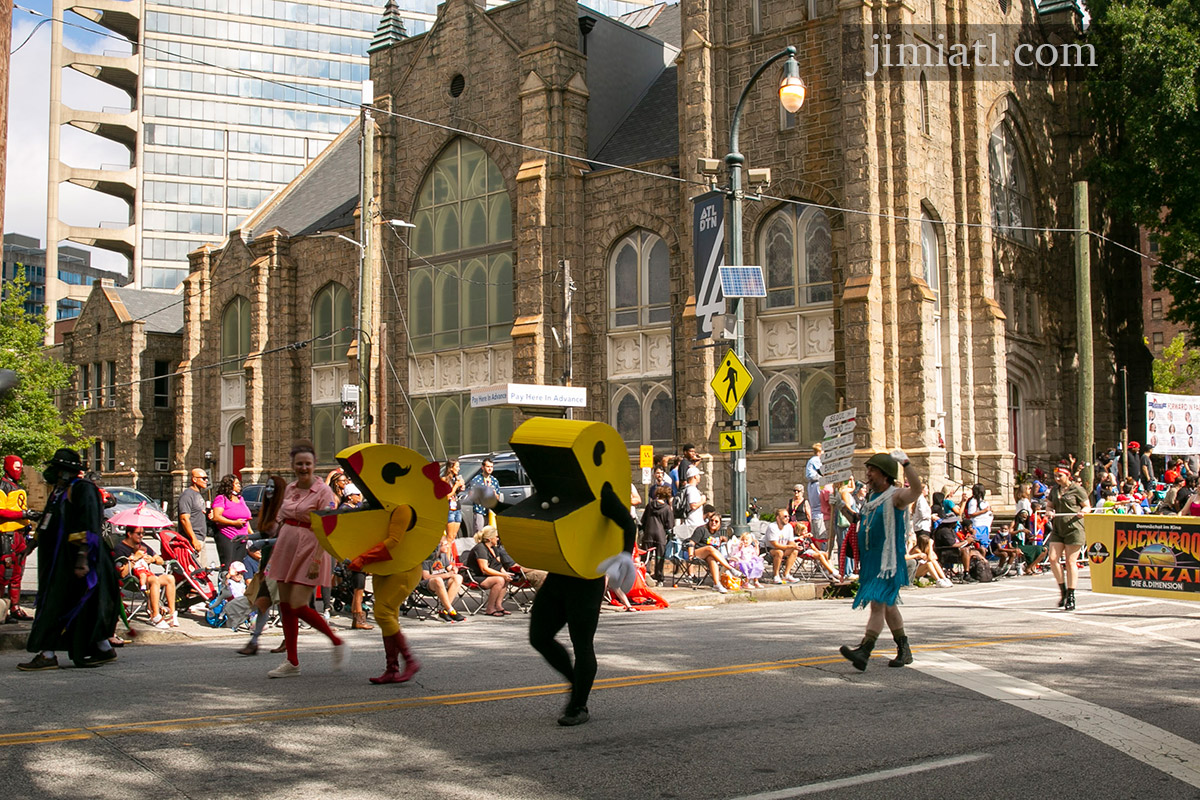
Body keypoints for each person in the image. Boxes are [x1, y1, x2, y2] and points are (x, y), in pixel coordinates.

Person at [19, 449, 120, 670]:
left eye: (58, 469)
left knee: (59, 605)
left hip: (77, 561)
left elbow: (89, 524)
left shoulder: (83, 490)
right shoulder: (59, 492)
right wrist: (33, 543)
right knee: (73, 605)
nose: (53, 473)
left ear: (67, 471)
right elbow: (48, 520)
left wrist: (83, 558)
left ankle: (48, 654)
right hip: (57, 560)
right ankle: (102, 648)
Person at [262, 441, 345, 678]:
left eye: (307, 463)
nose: (303, 467)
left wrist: (317, 559)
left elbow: (326, 527)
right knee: (286, 605)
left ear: (314, 464)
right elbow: (279, 519)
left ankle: (336, 641)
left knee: (298, 603)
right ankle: (292, 661)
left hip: (310, 548)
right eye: (299, 463)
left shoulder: (324, 492)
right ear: (293, 465)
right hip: (287, 547)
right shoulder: (290, 489)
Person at [839, 450, 923, 671]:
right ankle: (904, 650)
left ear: (885, 474)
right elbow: (858, 521)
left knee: (878, 605)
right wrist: (839, 506)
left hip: (888, 562)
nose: (868, 473)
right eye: (868, 469)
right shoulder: (871, 497)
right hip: (872, 561)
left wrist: (906, 463)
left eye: (872, 470)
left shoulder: (896, 496)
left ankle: (864, 651)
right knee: (888, 606)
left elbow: (917, 490)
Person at [237, 475, 285, 656]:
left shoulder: (283, 511)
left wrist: (263, 542)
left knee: (276, 603)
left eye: (272, 487)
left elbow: (283, 539)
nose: (269, 490)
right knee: (265, 602)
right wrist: (247, 537)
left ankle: (257, 641)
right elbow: (265, 533)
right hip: (266, 562)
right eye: (267, 486)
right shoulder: (269, 510)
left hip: (279, 563)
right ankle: (255, 641)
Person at [114, 526, 178, 628]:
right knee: (154, 580)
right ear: (129, 534)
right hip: (133, 579)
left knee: (170, 578)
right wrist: (135, 559)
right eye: (138, 533)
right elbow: (122, 573)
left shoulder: (142, 546)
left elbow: (160, 560)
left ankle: (170, 614)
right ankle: (155, 616)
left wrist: (152, 560)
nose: (141, 536)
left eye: (143, 533)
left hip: (148, 575)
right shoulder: (120, 549)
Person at [1046, 465, 1089, 611]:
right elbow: (1049, 506)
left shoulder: (1077, 489)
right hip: (1059, 528)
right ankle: (1062, 590)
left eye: (1060, 476)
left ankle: (1071, 594)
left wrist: (1083, 511)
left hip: (1074, 528)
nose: (1057, 479)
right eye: (1056, 476)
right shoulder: (1054, 490)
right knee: (1053, 558)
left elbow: (1087, 506)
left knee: (1071, 562)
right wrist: (1049, 512)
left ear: (1067, 476)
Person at [0, 455, 36, 622]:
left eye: (20, 467)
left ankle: (14, 607)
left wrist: (28, 518)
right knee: (3, 574)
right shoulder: (2, 486)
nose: (18, 470)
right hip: (6, 535)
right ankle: (2, 610)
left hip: (20, 535)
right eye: (15, 467)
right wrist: (22, 514)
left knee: (17, 574)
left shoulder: (18, 487)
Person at [686, 514, 740, 594]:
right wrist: (690, 554)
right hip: (696, 553)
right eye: (711, 520)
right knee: (710, 548)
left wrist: (722, 541)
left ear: (719, 524)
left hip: (708, 555)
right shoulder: (701, 530)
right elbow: (691, 542)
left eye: (716, 521)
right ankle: (730, 568)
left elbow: (716, 546)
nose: (713, 523)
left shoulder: (717, 534)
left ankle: (717, 584)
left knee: (712, 559)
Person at [470, 526, 516, 616]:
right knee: (499, 580)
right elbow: (484, 569)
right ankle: (490, 608)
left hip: (487, 576)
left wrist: (505, 573)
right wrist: (502, 576)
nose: (498, 539)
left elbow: (497, 565)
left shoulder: (494, 548)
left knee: (506, 578)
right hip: (476, 576)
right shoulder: (480, 549)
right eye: (496, 537)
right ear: (490, 539)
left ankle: (498, 605)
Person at [210, 474, 252, 568]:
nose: (239, 485)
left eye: (239, 483)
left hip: (242, 538)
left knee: (238, 566)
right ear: (229, 485)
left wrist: (251, 534)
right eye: (236, 483)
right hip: (228, 536)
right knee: (228, 565)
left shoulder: (241, 499)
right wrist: (234, 523)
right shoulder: (222, 498)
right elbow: (216, 517)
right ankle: (224, 582)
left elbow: (246, 519)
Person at [421, 538, 464, 623]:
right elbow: (426, 577)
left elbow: (449, 568)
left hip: (442, 582)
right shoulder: (427, 557)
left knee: (458, 577)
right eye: (445, 545)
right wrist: (447, 575)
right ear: (438, 546)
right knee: (438, 580)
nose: (448, 547)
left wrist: (454, 569)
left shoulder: (443, 555)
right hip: (428, 584)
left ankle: (444, 610)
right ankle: (450, 610)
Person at [639, 485, 673, 583]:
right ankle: (659, 578)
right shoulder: (667, 508)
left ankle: (644, 574)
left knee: (646, 556)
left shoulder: (650, 505)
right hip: (660, 535)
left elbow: (643, 520)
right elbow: (669, 525)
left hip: (648, 533)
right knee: (659, 557)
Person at [176, 468, 209, 553]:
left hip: (201, 538)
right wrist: (193, 539)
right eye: (203, 478)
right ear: (194, 479)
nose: (206, 480)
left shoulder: (198, 494)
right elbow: (184, 519)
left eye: (207, 478)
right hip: (192, 540)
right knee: (194, 566)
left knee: (202, 566)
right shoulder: (187, 495)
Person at [765, 508, 802, 583]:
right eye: (785, 516)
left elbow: (791, 542)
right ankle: (776, 576)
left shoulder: (789, 527)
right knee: (779, 552)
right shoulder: (772, 527)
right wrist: (791, 547)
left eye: (788, 516)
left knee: (795, 551)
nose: (787, 518)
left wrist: (795, 546)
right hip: (769, 549)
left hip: (783, 548)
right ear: (778, 518)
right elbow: (775, 544)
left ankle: (786, 574)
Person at [467, 458, 500, 534]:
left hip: (490, 511)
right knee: (479, 533)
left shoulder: (494, 481)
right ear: (482, 467)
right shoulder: (476, 480)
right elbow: (471, 495)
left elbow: (497, 497)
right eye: (488, 466)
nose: (490, 469)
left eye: (491, 467)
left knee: (489, 534)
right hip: (479, 510)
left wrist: (494, 494)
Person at [805, 443, 825, 542]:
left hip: (815, 484)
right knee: (819, 506)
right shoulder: (816, 460)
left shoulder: (812, 460)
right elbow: (822, 471)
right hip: (816, 484)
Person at [444, 459, 466, 541]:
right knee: (449, 536)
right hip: (449, 509)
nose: (459, 468)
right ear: (450, 468)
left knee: (454, 536)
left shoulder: (455, 479)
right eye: (457, 466)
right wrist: (456, 486)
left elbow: (454, 493)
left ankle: (452, 553)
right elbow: (446, 496)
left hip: (457, 508)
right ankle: (448, 553)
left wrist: (460, 489)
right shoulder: (444, 480)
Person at [681, 466, 706, 533]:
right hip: (693, 524)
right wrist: (702, 501)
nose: (699, 477)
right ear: (695, 476)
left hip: (691, 523)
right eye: (698, 475)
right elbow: (693, 506)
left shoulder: (686, 488)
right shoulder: (692, 490)